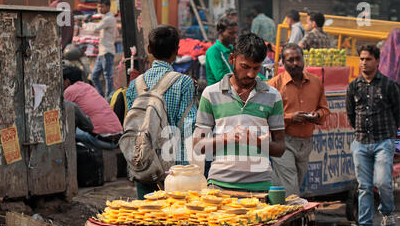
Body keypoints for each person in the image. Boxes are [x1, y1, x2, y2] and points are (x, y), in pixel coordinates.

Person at [193, 33, 285, 192]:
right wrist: (227, 138)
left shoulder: (273, 96)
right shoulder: (210, 94)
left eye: (256, 68)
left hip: (260, 186)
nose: (251, 74)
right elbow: (198, 146)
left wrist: (257, 142)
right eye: (245, 67)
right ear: (232, 59)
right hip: (219, 186)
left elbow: (280, 148)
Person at [125, 25, 198, 199]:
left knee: (147, 215)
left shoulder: (135, 84)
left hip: (143, 163)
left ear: (149, 49)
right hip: (175, 169)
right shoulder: (184, 83)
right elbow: (189, 126)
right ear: (177, 50)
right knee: (173, 219)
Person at [345, 45, 400, 226]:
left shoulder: (388, 85)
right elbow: (351, 115)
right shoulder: (354, 86)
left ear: (377, 61)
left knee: (383, 182)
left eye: (368, 59)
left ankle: (387, 213)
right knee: (364, 186)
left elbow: (399, 112)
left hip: (383, 141)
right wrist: (359, 132)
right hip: (361, 142)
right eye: (361, 59)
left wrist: (390, 135)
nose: (364, 62)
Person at [267, 43, 330, 196]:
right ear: (283, 62)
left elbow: (324, 109)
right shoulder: (274, 85)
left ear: (303, 59)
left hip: (305, 143)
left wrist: (317, 116)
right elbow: (265, 116)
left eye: (298, 59)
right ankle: (290, 216)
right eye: (290, 60)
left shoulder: (316, 82)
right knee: (291, 187)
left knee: (293, 184)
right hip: (283, 141)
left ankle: (278, 210)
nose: (295, 63)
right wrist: (290, 118)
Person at [63, 66, 123, 150]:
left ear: (67, 81)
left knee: (66, 132)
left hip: (104, 141)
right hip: (119, 138)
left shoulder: (69, 91)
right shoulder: (88, 87)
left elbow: (62, 114)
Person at [85, 0, 117, 99]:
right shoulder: (105, 17)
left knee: (108, 76)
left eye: (102, 6)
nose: (100, 8)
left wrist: (85, 24)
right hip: (102, 52)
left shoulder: (109, 18)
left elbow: (95, 28)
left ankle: (108, 98)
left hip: (107, 51)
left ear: (108, 7)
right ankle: (102, 97)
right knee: (94, 75)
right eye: (99, 6)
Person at [205, 17, 238, 86]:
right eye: (231, 33)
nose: (235, 36)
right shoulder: (213, 51)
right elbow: (220, 77)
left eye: (235, 33)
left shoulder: (232, 49)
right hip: (217, 92)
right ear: (220, 32)